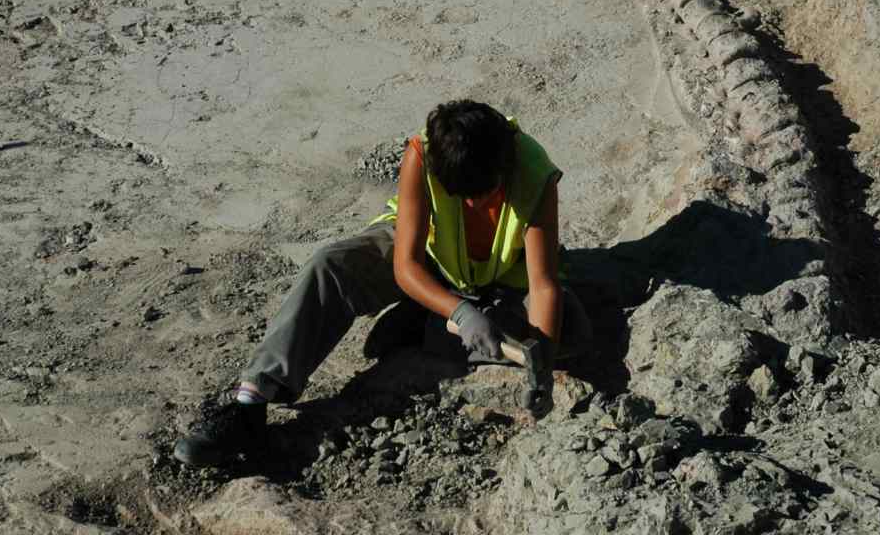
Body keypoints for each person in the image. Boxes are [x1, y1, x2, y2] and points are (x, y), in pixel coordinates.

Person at [173, 99, 591, 466]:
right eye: (460, 194)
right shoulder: (422, 156)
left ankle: (430, 322)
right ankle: (249, 405)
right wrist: (461, 311)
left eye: (481, 194)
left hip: (501, 279)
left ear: (504, 167)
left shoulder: (533, 172)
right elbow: (406, 265)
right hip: (430, 257)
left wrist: (542, 367)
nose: (471, 204)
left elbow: (543, 284)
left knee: (569, 329)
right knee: (330, 265)